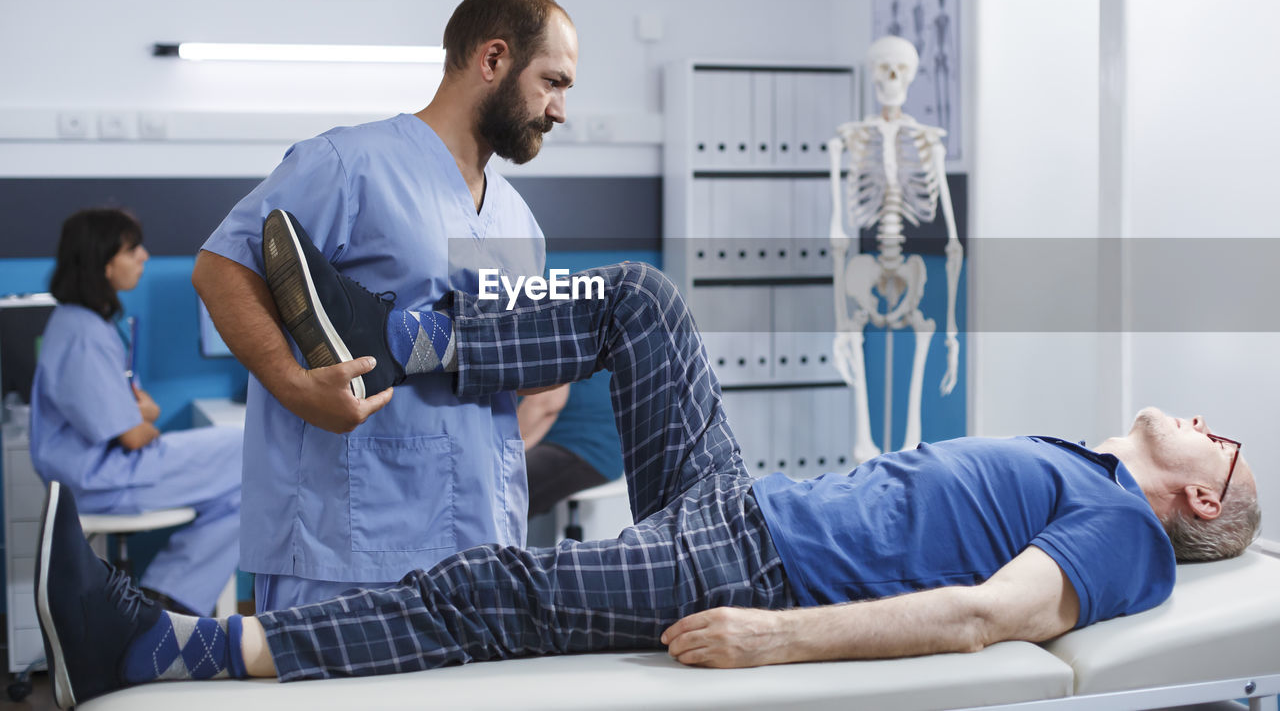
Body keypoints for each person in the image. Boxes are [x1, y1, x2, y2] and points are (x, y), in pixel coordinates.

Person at [35, 220, 1261, 707]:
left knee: (490, 589)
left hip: (762, 570)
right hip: (744, 506)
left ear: (1198, 497)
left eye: (1229, 442)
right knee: (638, 299)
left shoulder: (1123, 532)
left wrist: (767, 638)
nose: (1218, 418)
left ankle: (169, 647)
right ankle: (401, 337)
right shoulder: (1078, 460)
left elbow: (982, 619)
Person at [191, 0, 578, 611]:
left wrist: (548, 355)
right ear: (493, 60)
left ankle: (409, 338)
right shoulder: (348, 166)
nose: (560, 110)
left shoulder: (518, 223)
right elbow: (221, 268)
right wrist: (293, 385)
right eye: (553, 82)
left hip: (482, 539)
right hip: (349, 537)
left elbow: (530, 378)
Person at [29, 207, 242, 617]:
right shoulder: (84, 335)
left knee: (244, 491)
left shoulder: (80, 323)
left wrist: (140, 415)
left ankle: (164, 602)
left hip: (100, 470)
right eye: (132, 250)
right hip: (103, 477)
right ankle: (163, 601)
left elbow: (136, 411)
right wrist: (143, 420)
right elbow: (132, 433)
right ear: (104, 263)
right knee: (248, 449)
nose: (144, 256)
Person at [519, 371, 623, 518]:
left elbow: (546, 402)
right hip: (588, 442)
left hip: (585, 446)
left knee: (498, 490)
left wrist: (505, 452)